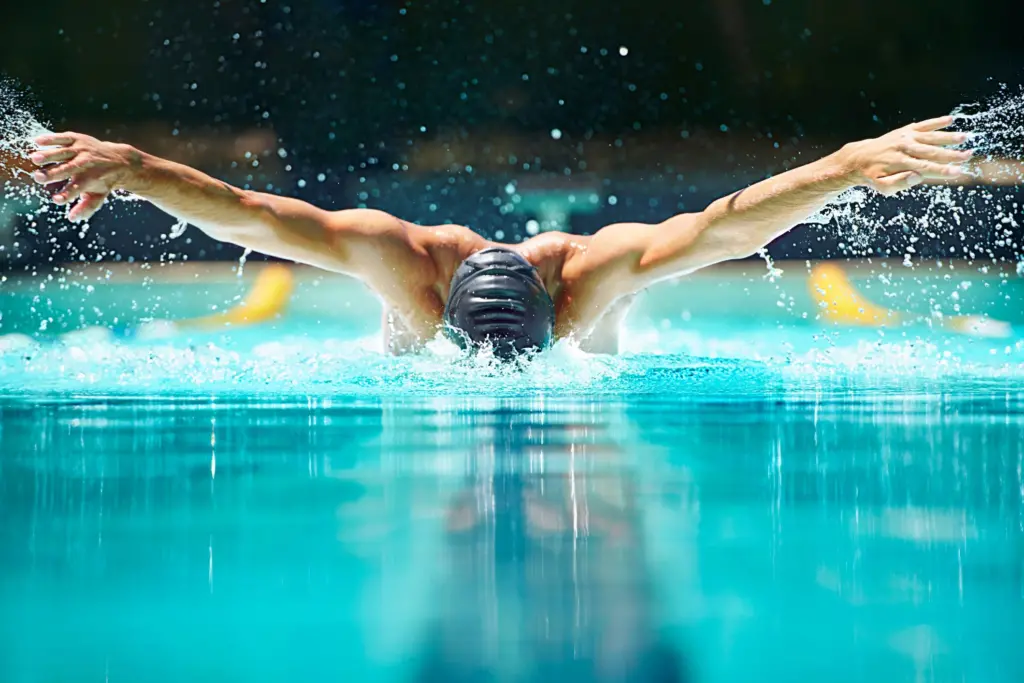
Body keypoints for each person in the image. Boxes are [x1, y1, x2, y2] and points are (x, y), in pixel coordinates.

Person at [28, 116, 972, 357]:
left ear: (558, 313)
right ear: (439, 308)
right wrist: (139, 167)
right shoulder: (402, 261)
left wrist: (845, 165)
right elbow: (255, 211)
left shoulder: (597, 272)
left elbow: (723, 227)